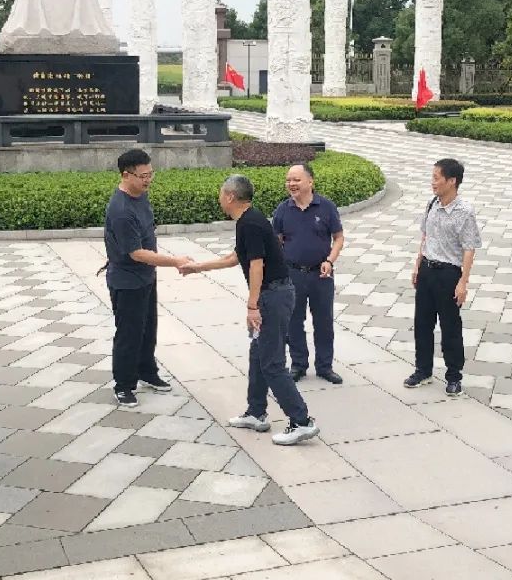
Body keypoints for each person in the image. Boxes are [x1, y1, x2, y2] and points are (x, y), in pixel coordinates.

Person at [181, 175, 320, 446]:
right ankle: (256, 412)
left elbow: (257, 265)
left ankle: (302, 421)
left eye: (221, 193)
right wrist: (197, 267)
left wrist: (252, 306)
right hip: (274, 294)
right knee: (258, 354)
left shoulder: (251, 223)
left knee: (272, 363)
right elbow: (234, 258)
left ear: (230, 196)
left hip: (272, 297)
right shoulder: (247, 221)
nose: (219, 198)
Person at [104, 149, 191, 408]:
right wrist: (175, 261)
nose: (148, 180)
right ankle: (123, 385)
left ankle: (146, 371)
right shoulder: (121, 210)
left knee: (147, 328)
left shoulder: (140, 196)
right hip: (127, 281)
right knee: (129, 334)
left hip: (145, 277)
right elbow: (137, 253)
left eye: (151, 174)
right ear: (126, 175)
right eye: (143, 176)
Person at [404, 158, 482, 397]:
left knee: (450, 326)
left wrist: (463, 282)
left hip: (448, 274)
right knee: (422, 323)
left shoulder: (464, 212)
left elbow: (469, 248)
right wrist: (417, 265)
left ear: (452, 181)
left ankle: (454, 376)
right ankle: (423, 370)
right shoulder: (432, 204)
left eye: (436, 178)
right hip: (427, 270)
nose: (433, 182)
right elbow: (425, 237)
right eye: (433, 177)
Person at [272, 163, 345, 384]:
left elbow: (338, 237)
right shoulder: (283, 210)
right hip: (293, 274)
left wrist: (330, 261)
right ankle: (298, 364)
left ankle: (325, 366)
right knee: (293, 321)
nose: (291, 184)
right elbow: (277, 242)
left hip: (321, 275)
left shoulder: (326, 207)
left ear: (310, 181)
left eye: (296, 179)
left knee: (324, 322)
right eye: (288, 180)